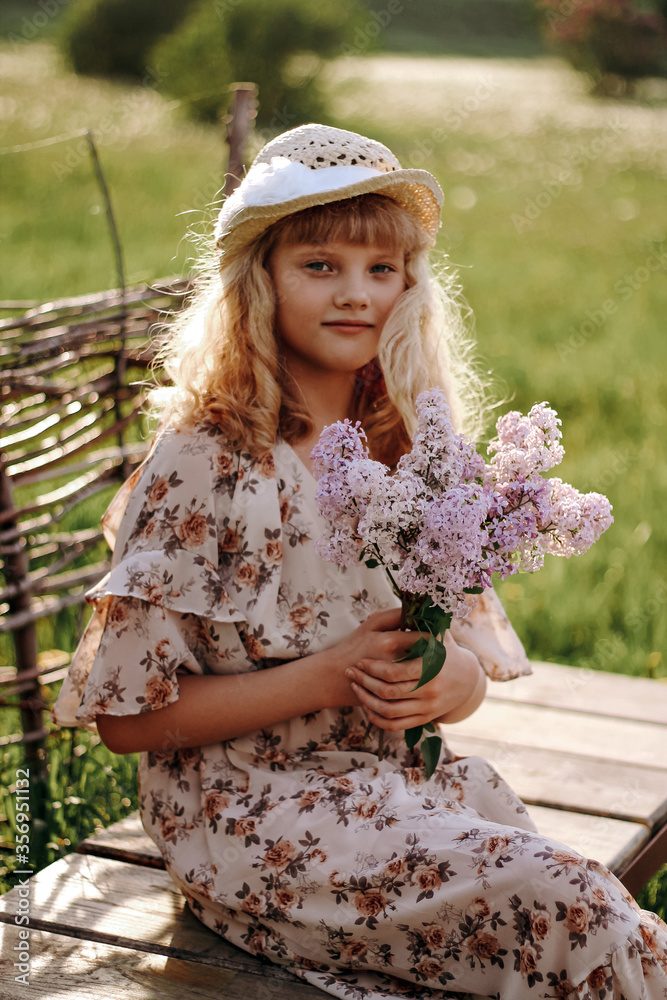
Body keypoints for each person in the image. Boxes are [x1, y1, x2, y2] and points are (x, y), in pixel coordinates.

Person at [53, 124, 667, 1000]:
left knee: (604, 918)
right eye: (320, 266)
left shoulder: (411, 452)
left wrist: (454, 681)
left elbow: (456, 663)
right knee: (575, 912)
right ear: (258, 279)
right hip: (250, 819)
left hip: (400, 790)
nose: (355, 294)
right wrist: (330, 675)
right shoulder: (206, 461)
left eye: (382, 271)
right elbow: (128, 723)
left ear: (413, 287)